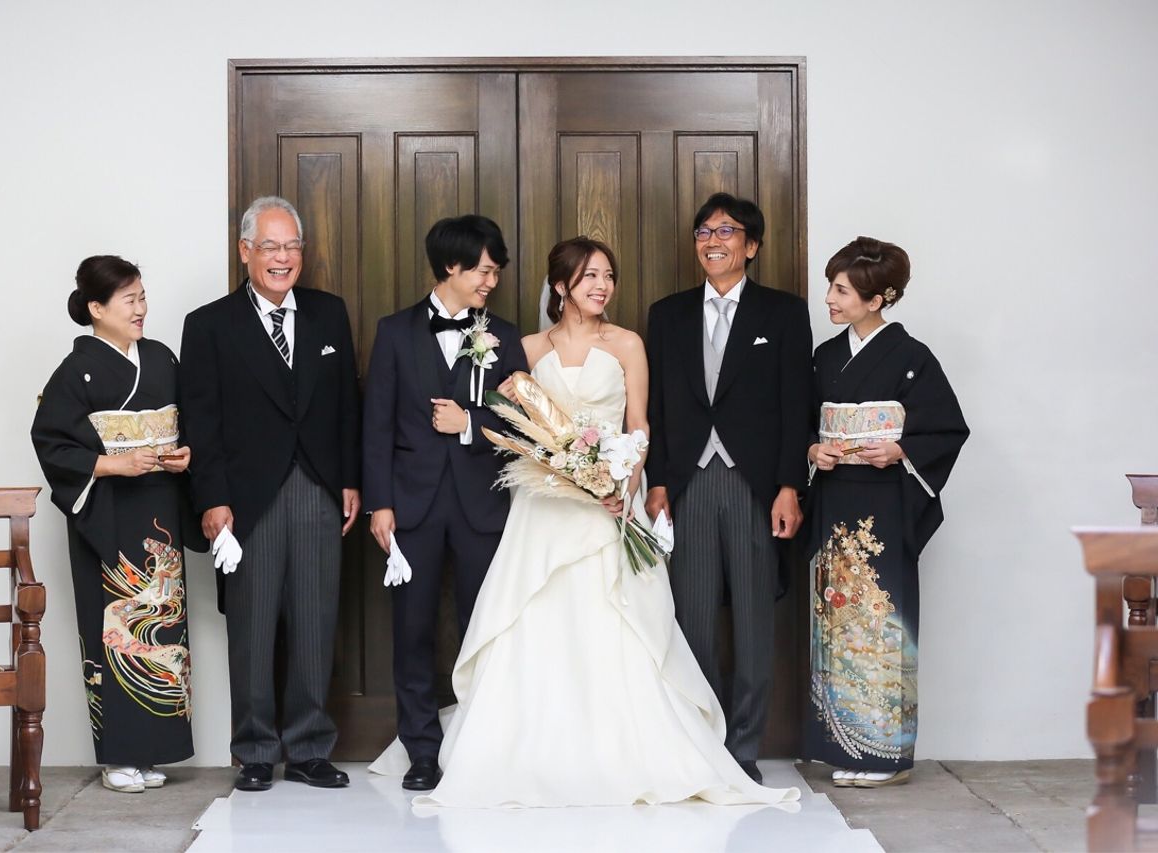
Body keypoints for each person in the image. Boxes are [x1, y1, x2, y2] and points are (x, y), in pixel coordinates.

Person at [371, 236, 799, 809]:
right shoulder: (523, 347)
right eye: (591, 276)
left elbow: (639, 425)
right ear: (561, 286)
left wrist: (622, 483)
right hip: (542, 507)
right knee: (534, 620)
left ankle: (622, 749)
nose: (603, 286)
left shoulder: (627, 344)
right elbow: (511, 425)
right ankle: (525, 751)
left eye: (609, 276)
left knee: (615, 621)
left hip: (609, 506)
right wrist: (514, 429)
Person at [179, 196, 361, 792]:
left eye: (291, 246)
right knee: (252, 628)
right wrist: (212, 500)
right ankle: (255, 750)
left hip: (318, 490)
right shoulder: (209, 325)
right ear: (245, 252)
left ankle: (309, 748)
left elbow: (347, 405)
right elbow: (201, 423)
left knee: (315, 622)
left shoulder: (329, 314)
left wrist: (350, 480)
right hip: (245, 501)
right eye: (270, 246)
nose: (282, 258)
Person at [644, 193, 813, 783]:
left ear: (752, 245)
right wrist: (658, 481)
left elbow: (796, 405)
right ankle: (703, 741)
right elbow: (657, 406)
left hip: (754, 486)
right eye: (703, 232)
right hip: (688, 482)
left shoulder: (783, 313)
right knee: (691, 619)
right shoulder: (667, 314)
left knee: (752, 620)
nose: (712, 241)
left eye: (726, 231)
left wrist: (790, 485)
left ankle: (743, 747)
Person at [362, 214, 527, 791]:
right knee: (413, 631)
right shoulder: (393, 332)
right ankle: (422, 752)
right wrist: (379, 504)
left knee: (485, 628)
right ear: (451, 267)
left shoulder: (505, 335)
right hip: (412, 505)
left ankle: (482, 749)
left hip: (484, 504)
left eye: (496, 272)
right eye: (484, 270)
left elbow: (524, 422)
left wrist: (469, 424)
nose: (491, 281)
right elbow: (376, 425)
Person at [801, 237, 968, 788]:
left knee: (882, 623)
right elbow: (803, 422)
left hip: (884, 506)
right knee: (835, 620)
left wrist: (899, 450)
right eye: (831, 287)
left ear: (878, 300)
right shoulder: (825, 357)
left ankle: (886, 756)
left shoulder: (912, 357)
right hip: (834, 502)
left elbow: (946, 428)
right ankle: (842, 746)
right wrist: (814, 449)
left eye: (841, 290)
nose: (829, 298)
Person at [32, 255, 196, 794]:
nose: (141, 309)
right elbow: (51, 441)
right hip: (105, 515)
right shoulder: (75, 371)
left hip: (159, 508)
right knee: (113, 632)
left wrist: (184, 455)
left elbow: (188, 423)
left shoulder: (162, 358)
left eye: (143, 297)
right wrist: (110, 464)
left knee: (163, 626)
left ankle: (155, 751)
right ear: (97, 309)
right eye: (130, 300)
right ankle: (118, 756)